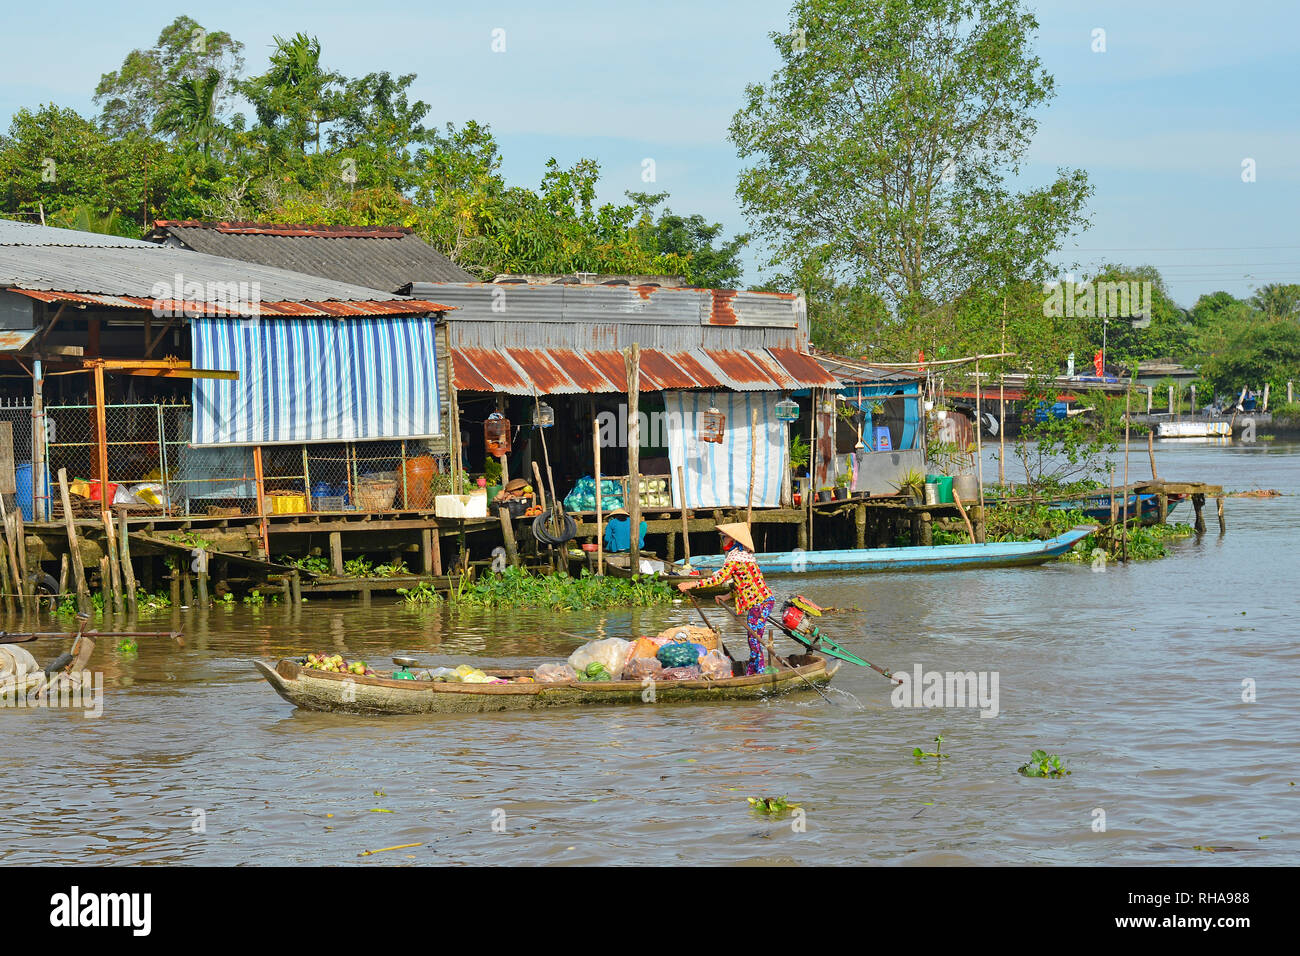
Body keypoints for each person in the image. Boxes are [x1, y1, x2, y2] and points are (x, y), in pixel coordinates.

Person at [677, 522, 774, 675]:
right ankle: (752, 670)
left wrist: (692, 584)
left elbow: (717, 579)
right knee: (753, 639)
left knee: (754, 640)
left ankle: (758, 672)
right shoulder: (744, 557)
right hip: (762, 602)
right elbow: (743, 585)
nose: (723, 540)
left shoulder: (737, 559)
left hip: (760, 603)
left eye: (724, 537)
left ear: (733, 540)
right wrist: (726, 596)